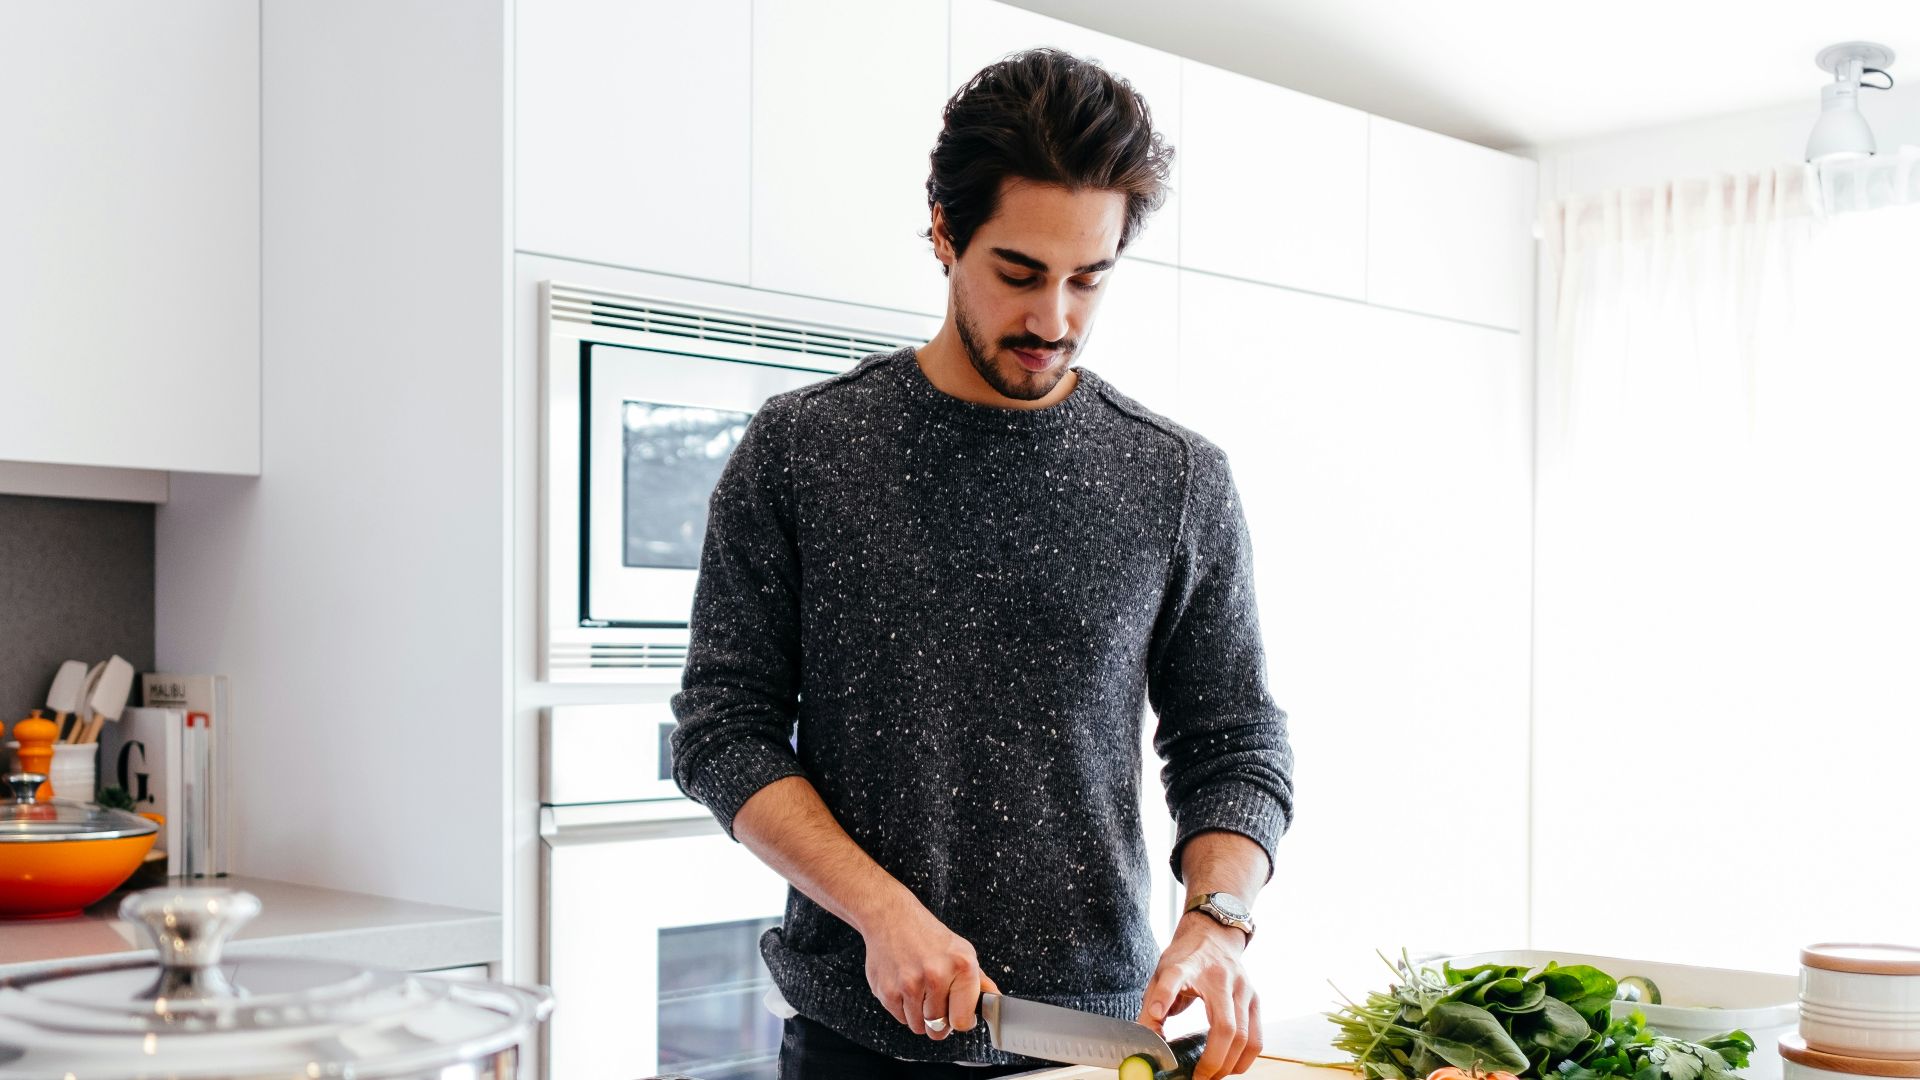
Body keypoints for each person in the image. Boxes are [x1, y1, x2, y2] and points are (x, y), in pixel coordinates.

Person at [671, 47, 1294, 1080]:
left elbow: (1234, 742)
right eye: (1018, 274)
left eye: (1088, 279)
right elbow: (721, 733)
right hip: (855, 1043)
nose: (1054, 319)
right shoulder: (802, 452)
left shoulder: (1177, 478)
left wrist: (1219, 918)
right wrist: (881, 913)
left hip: (1100, 1043)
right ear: (944, 234)